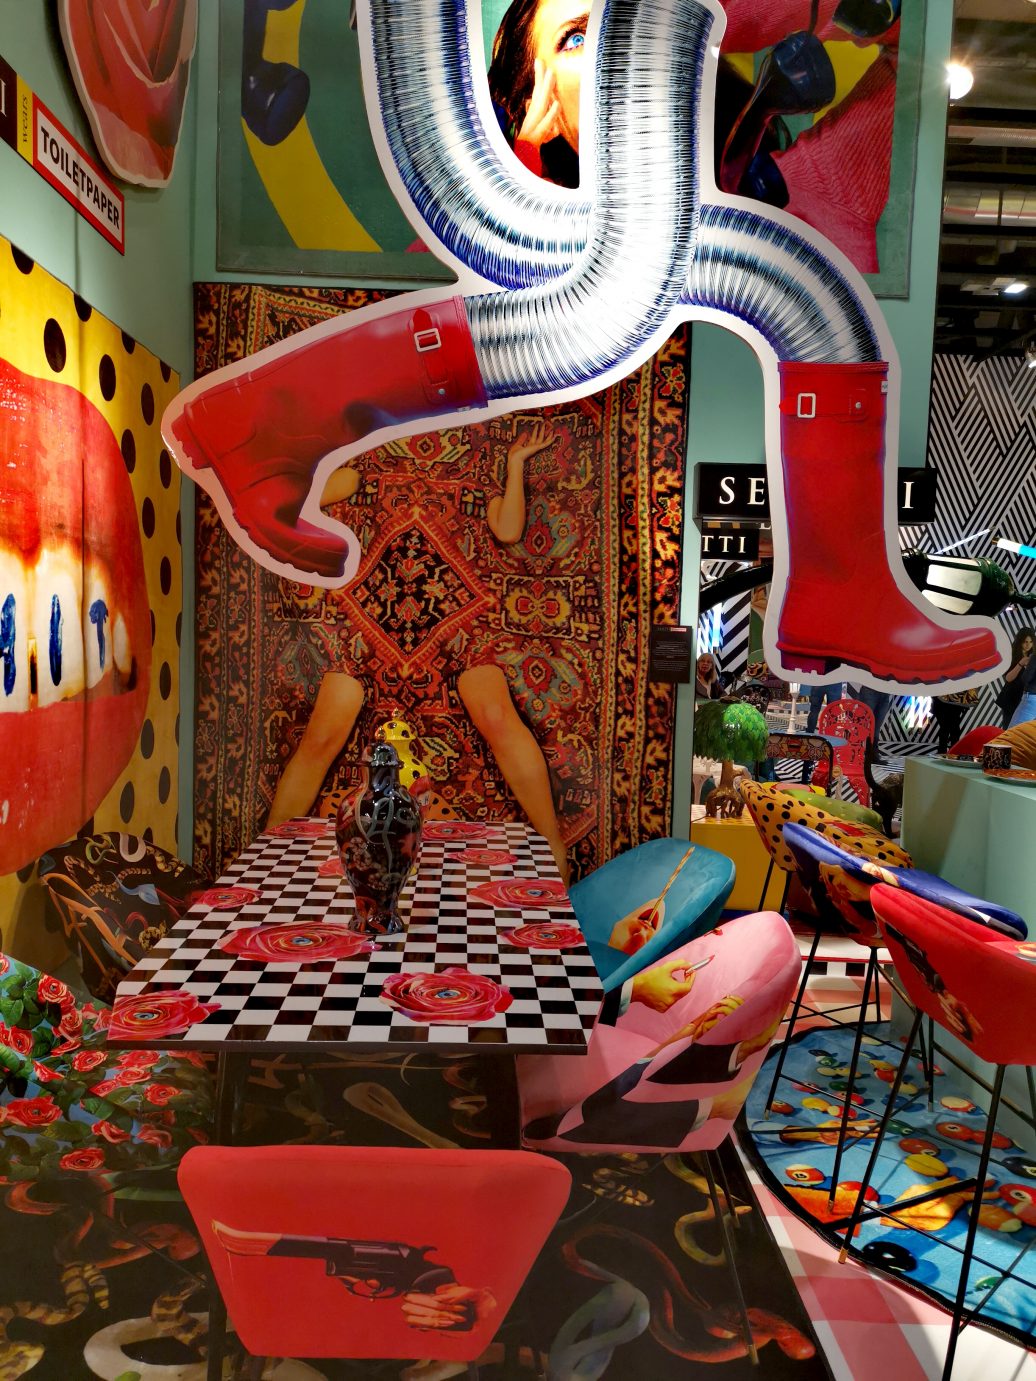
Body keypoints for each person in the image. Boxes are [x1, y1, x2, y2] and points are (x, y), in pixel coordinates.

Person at [267, 420, 572, 880]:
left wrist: (514, 464)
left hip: (456, 626)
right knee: (321, 738)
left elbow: (508, 530)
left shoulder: (475, 469)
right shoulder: (363, 466)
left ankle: (552, 847)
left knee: (498, 719)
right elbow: (293, 504)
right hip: (368, 629)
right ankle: (269, 851)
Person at [996, 628, 1035, 729]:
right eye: (1025, 642)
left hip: (1026, 697)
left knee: (1022, 729)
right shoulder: (1011, 654)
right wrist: (1021, 663)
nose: (1028, 645)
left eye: (1031, 642)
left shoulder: (1033, 656)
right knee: (1008, 728)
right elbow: (1008, 678)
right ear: (1020, 641)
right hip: (1011, 697)